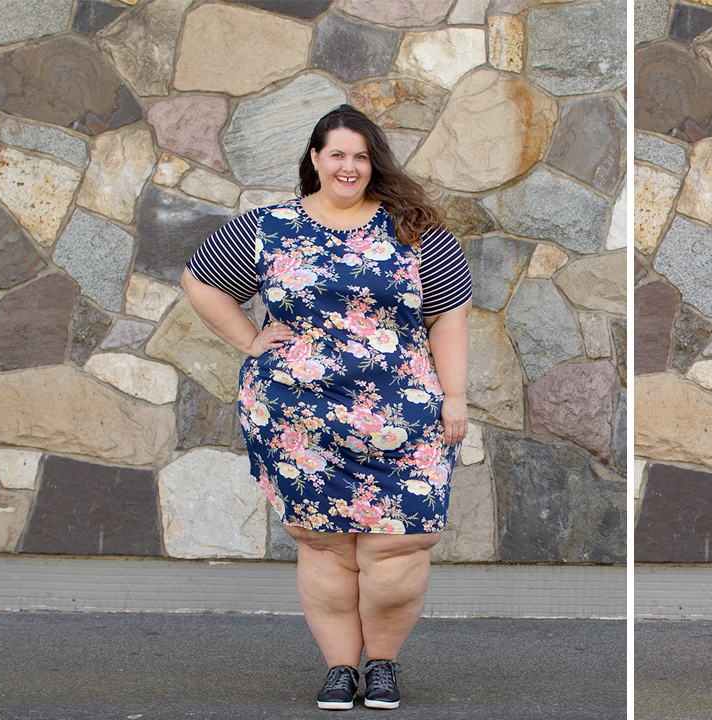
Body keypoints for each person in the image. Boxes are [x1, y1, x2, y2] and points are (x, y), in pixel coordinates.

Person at [182, 105, 472, 711]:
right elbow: (201, 281)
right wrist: (248, 339)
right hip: (297, 415)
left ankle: (384, 664)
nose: (349, 165)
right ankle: (341, 669)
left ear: (374, 163)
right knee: (325, 543)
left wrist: (456, 397)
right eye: (337, 153)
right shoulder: (268, 227)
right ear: (314, 158)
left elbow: (449, 317)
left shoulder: (415, 230)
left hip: (406, 417)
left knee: (399, 544)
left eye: (361, 156)